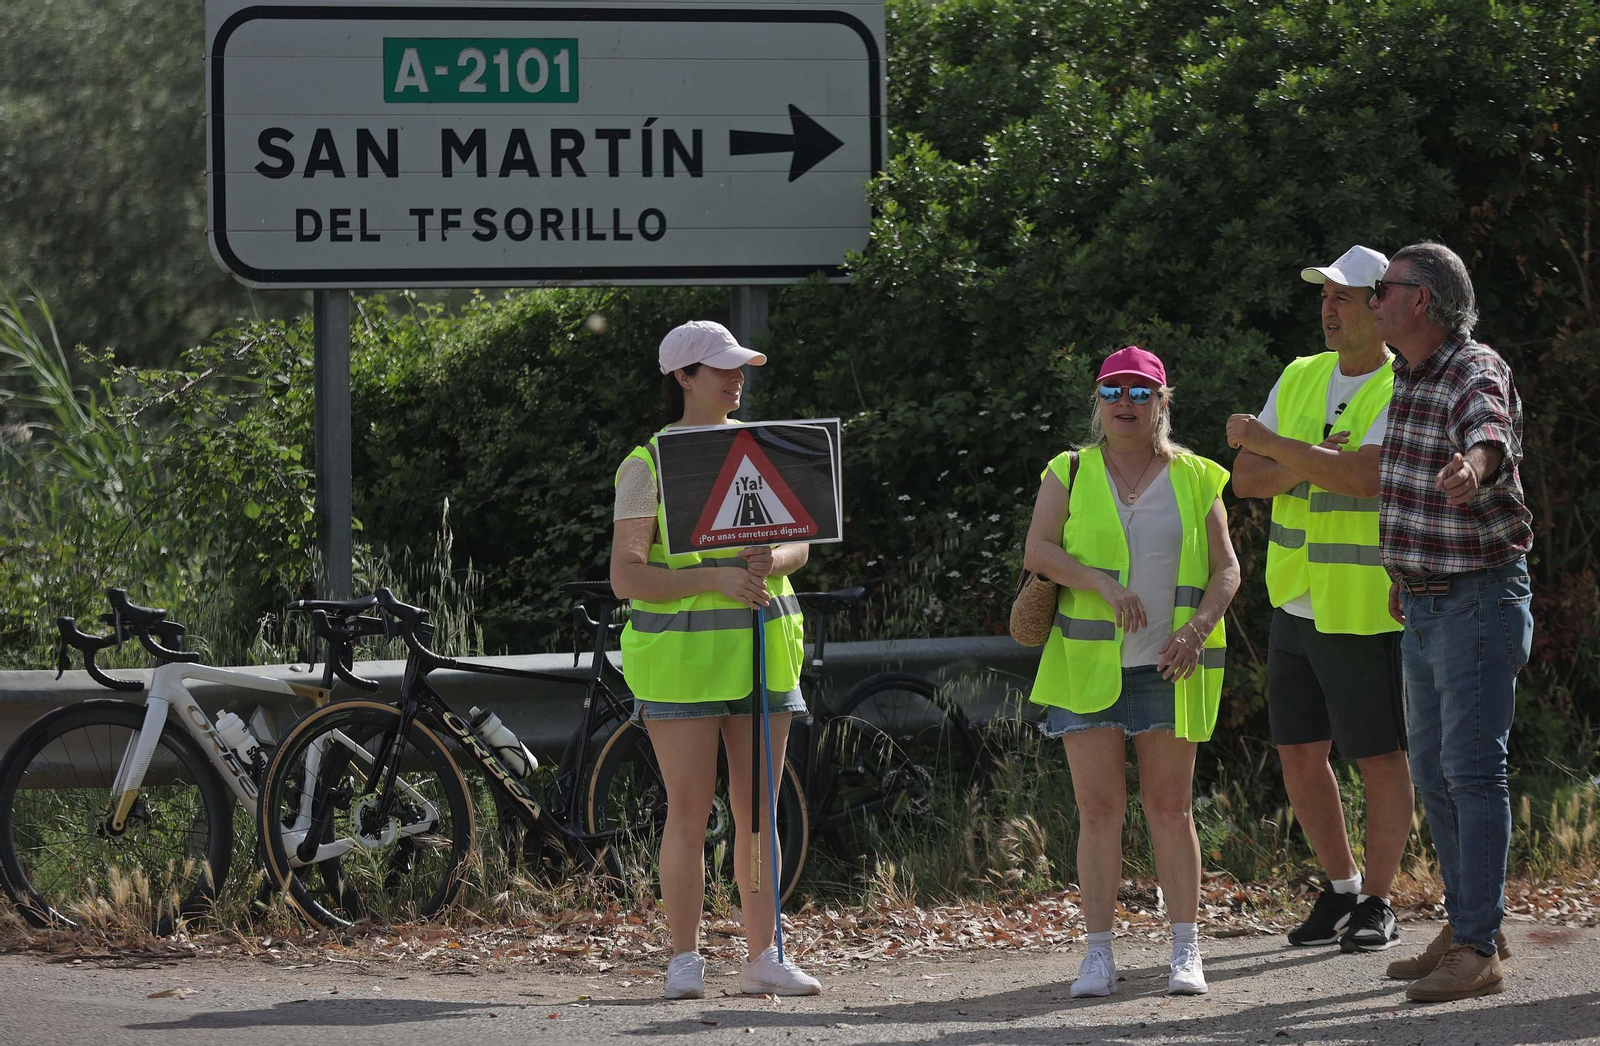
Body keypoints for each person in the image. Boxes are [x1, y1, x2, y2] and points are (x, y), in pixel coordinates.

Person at [609, 320, 822, 1000]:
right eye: (719, 368)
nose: (736, 379)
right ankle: (684, 960)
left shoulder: (765, 448)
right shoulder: (645, 467)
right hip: (682, 666)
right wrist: (713, 578)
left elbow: (801, 546)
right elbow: (627, 577)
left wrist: (775, 557)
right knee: (690, 812)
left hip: (764, 657)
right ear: (683, 379)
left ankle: (764, 955)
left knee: (757, 811)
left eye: (738, 367)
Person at [1024, 346, 1240, 998]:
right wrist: (1100, 585)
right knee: (1098, 812)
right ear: (1098, 401)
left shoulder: (1198, 475)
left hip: (1169, 666)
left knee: (1170, 810)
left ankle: (1185, 950)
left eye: (1141, 393)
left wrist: (1198, 630)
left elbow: (1227, 570)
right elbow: (1038, 549)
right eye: (1113, 391)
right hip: (1085, 667)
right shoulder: (1068, 469)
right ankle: (1097, 955)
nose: (1125, 403)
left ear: (1162, 403)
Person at [1225, 245, 1416, 954]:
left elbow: (1365, 478)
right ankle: (1339, 889)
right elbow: (1245, 477)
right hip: (1294, 601)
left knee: (1380, 757)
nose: (1327, 309)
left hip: (1363, 604)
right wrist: (1313, 461)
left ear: (1380, 305)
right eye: (1324, 297)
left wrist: (1283, 448)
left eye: (1341, 296)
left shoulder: (1402, 384)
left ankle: (1380, 900)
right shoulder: (1303, 374)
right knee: (1300, 756)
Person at [1369, 242, 1533, 1003]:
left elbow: (1489, 431)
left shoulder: (1471, 369)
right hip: (1429, 599)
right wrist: (1408, 575)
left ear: (1421, 301)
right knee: (1435, 773)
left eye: (1383, 288)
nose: (1373, 300)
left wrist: (1475, 467)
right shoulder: (1409, 374)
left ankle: (1476, 945)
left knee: (1471, 772)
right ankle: (1474, 924)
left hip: (1476, 598)